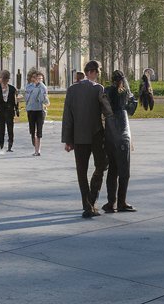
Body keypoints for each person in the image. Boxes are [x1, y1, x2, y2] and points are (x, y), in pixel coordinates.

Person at [62, 59, 114, 218]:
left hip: (78, 137)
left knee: (81, 172)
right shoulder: (98, 89)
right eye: (98, 72)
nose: (98, 76)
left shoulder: (72, 90)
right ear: (93, 72)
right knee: (102, 165)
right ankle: (92, 197)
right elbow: (108, 112)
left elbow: (67, 117)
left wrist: (68, 139)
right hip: (96, 135)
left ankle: (87, 205)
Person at [103, 70, 137, 213]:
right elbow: (130, 110)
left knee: (112, 170)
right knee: (124, 172)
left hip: (110, 134)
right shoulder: (122, 93)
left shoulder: (106, 91)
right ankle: (121, 202)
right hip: (122, 134)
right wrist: (134, 100)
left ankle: (111, 202)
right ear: (122, 81)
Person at [0, 69, 20, 154]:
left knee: (10, 129)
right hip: (1, 112)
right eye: (3, 78)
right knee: (1, 130)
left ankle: (10, 145)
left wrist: (17, 109)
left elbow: (15, 101)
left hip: (10, 112)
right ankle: (2, 146)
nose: (5, 80)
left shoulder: (12, 89)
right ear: (0, 79)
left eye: (6, 79)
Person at [23, 68, 50, 156]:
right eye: (37, 78)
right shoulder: (28, 87)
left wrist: (41, 85)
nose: (39, 80)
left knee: (39, 130)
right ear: (32, 78)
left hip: (40, 110)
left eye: (41, 79)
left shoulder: (43, 87)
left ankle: (37, 150)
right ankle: (35, 144)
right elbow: (26, 98)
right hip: (30, 110)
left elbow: (43, 99)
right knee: (32, 131)